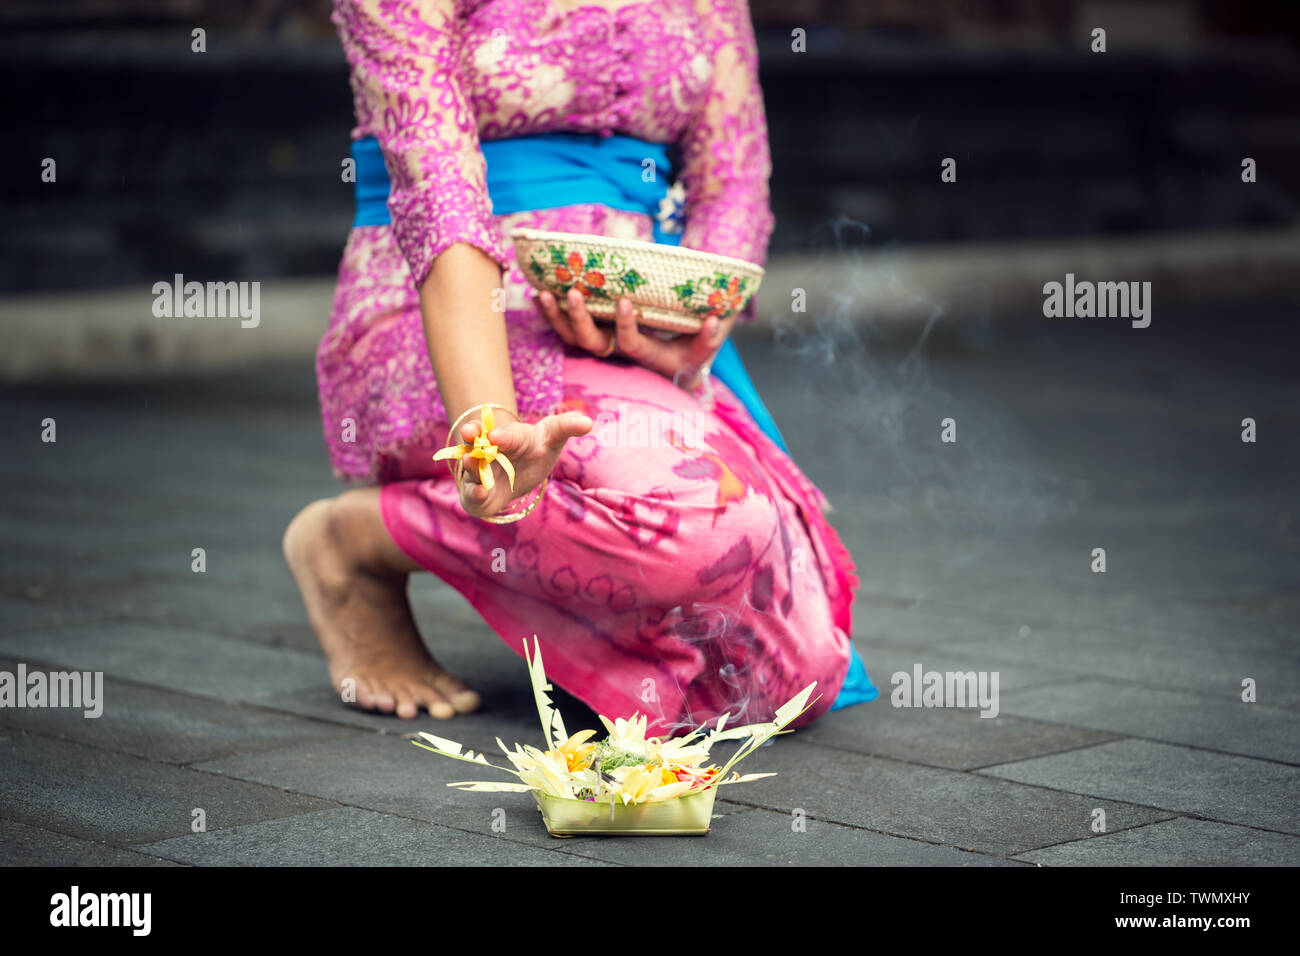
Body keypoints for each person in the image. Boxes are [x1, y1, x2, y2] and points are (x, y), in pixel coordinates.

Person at [283, 0, 876, 735]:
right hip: (445, 316)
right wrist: (489, 424)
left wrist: (689, 327)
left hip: (636, 344)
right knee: (708, 524)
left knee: (798, 672)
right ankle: (359, 540)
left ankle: (600, 619)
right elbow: (438, 196)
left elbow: (733, 188)